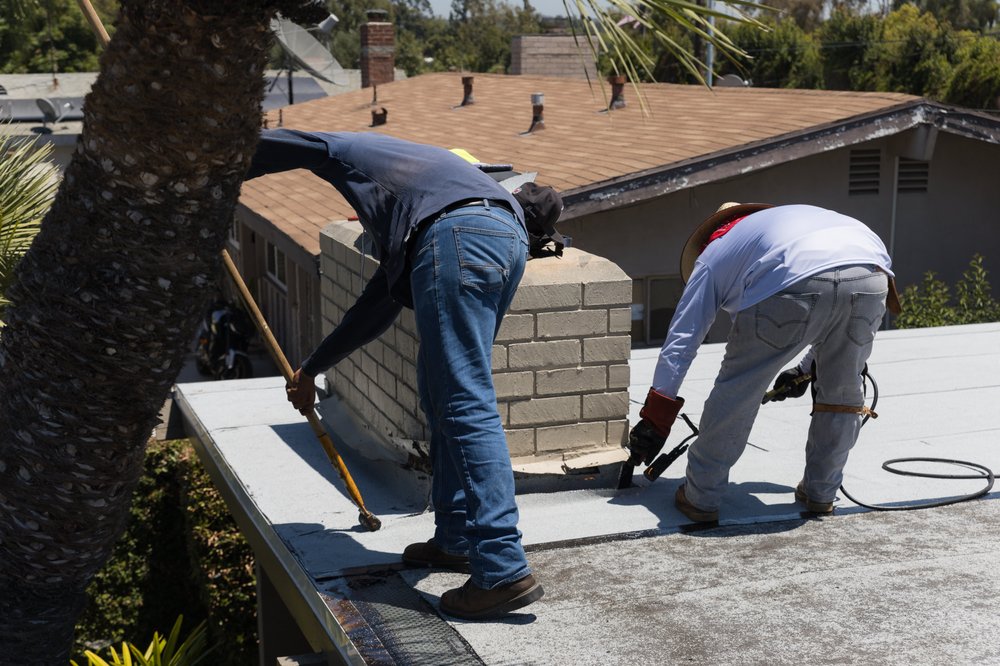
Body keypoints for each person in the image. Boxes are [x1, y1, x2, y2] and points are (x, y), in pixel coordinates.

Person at [245, 129, 563, 619]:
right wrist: (311, 370)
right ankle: (457, 536)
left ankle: (500, 565)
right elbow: (373, 311)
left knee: (463, 398)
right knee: (443, 393)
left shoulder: (363, 155)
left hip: (460, 241)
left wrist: (212, 173)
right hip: (506, 242)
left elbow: (298, 144)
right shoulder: (439, 194)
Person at [627, 202, 900, 522]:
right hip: (870, 273)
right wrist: (804, 369)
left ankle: (701, 497)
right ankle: (821, 492)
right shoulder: (785, 224)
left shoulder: (714, 251)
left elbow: (683, 340)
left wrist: (656, 416)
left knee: (738, 389)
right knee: (843, 389)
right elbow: (832, 313)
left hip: (791, 279)